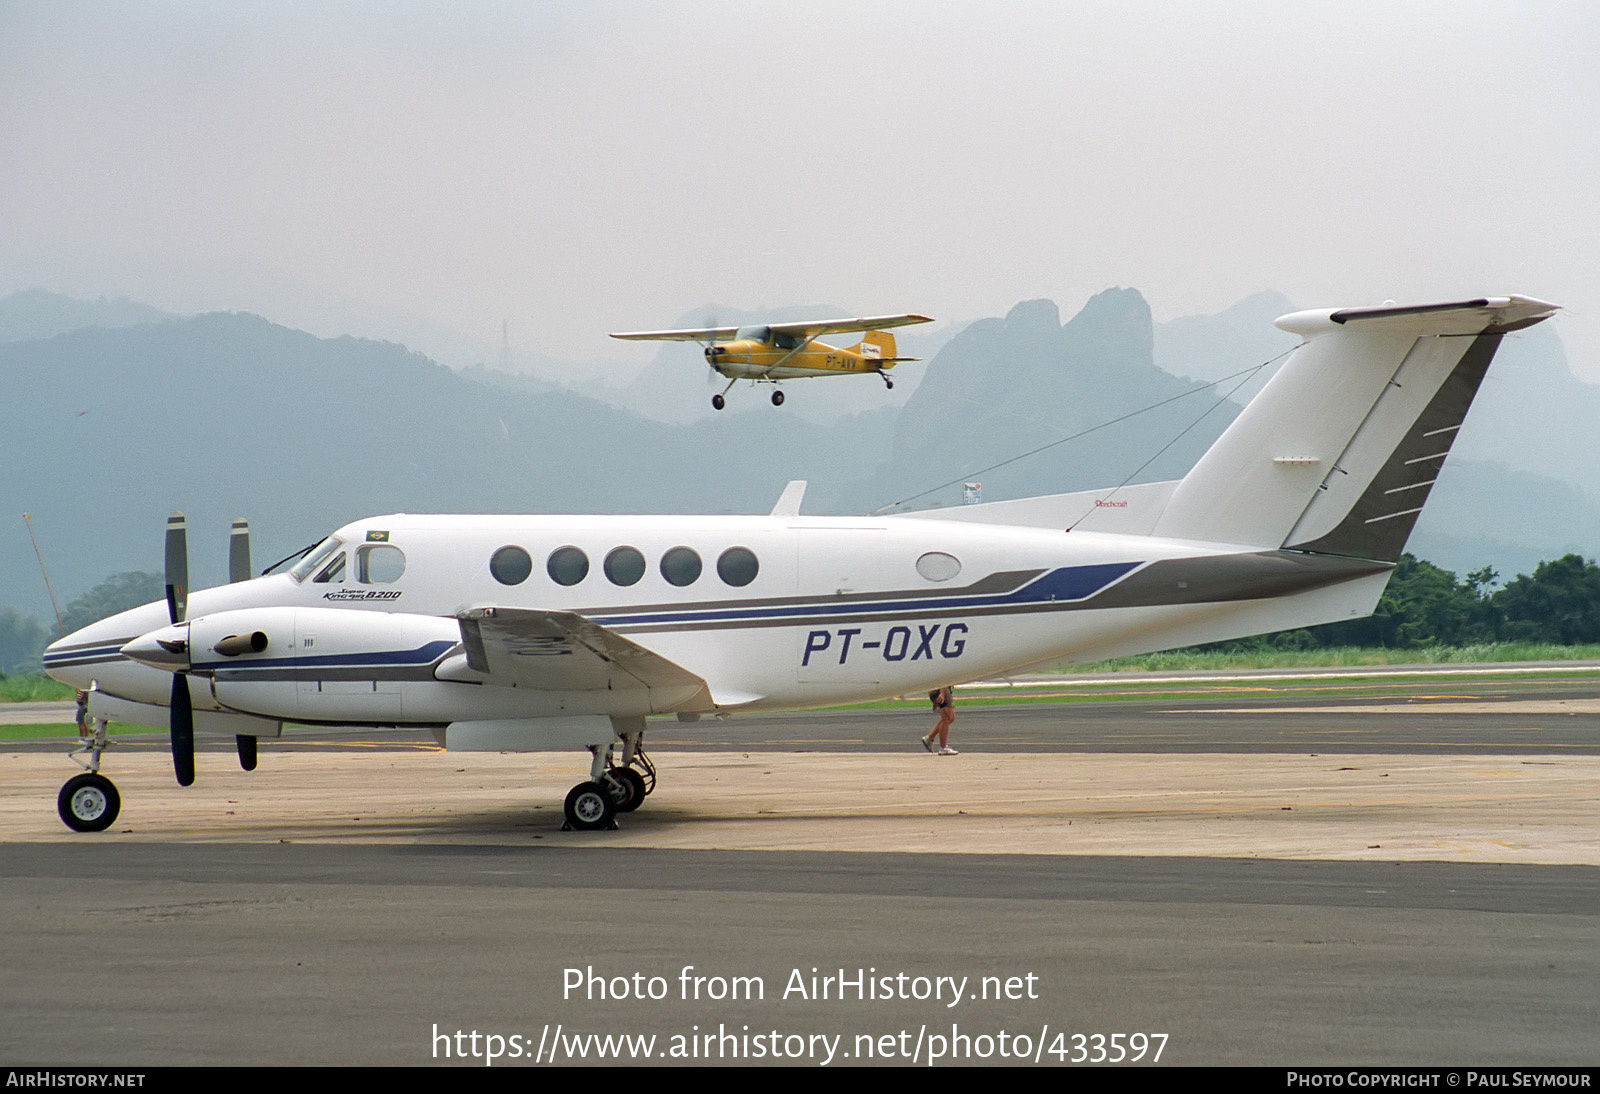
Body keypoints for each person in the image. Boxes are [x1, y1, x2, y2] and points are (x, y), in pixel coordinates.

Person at [920, 685, 958, 755]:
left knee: (949, 718)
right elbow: (943, 679)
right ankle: (943, 747)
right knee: (947, 719)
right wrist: (942, 693)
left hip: (938, 690)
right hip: (940, 690)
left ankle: (929, 738)